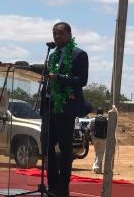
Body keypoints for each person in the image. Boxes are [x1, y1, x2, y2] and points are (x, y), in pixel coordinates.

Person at [31, 22, 89, 197]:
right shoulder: (53, 55)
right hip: (49, 106)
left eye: (60, 34)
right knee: (47, 148)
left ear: (69, 34)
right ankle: (52, 186)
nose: (57, 37)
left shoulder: (79, 55)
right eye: (54, 34)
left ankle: (63, 188)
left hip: (66, 109)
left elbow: (81, 80)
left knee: (65, 150)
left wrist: (59, 78)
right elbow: (49, 78)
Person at [87, 107, 108, 174]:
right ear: (103, 113)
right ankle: (95, 166)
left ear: (97, 113)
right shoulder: (107, 120)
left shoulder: (93, 120)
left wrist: (87, 138)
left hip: (95, 138)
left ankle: (98, 169)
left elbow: (88, 129)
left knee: (97, 153)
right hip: (103, 139)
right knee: (100, 154)